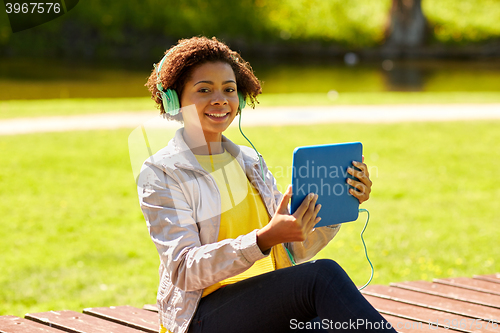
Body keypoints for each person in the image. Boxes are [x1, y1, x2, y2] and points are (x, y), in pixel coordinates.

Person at [139, 36, 395, 333]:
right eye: (204, 89)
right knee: (322, 276)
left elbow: (290, 250)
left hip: (260, 312)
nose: (220, 99)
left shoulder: (249, 162)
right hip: (202, 318)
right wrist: (261, 239)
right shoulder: (162, 172)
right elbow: (184, 269)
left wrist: (342, 199)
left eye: (229, 89)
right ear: (174, 99)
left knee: (341, 326)